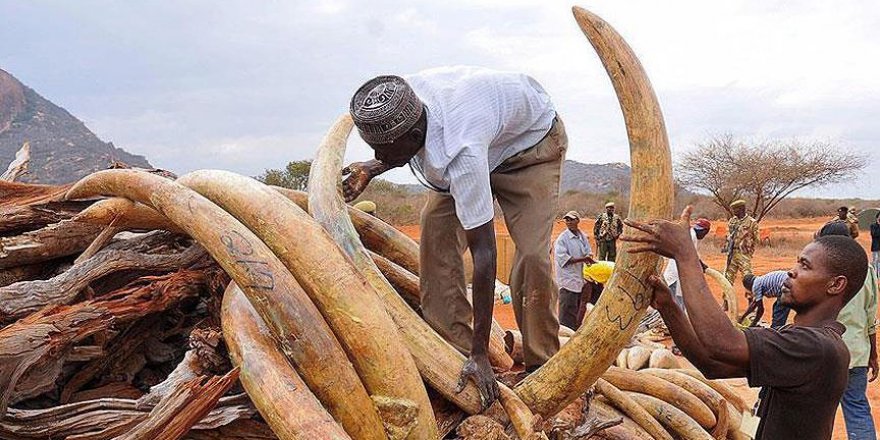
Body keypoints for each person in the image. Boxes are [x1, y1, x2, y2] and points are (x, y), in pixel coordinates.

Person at [341, 66, 566, 406]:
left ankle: (541, 365)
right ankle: (451, 353)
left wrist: (482, 354)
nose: (379, 158)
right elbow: (403, 146)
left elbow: (485, 254)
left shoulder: (459, 151)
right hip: (481, 136)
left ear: (416, 137)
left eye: (383, 153)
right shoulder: (402, 96)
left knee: (532, 256)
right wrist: (371, 168)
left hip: (529, 150)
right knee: (434, 234)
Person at [622, 206, 868, 440]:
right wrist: (668, 306)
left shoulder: (816, 347)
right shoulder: (801, 338)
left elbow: (722, 343)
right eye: (796, 262)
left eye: (805, 266)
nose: (791, 271)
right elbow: (712, 364)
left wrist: (685, 254)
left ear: (836, 285)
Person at [817, 220, 878, 439]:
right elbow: (871, 314)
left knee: (818, 410)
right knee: (857, 407)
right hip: (857, 352)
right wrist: (873, 353)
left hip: (824, 351)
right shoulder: (867, 269)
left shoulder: (819, 268)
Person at [554, 211, 594, 330]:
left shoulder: (582, 236)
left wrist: (588, 259)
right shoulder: (562, 239)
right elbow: (564, 260)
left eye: (571, 219)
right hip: (567, 283)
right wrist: (584, 259)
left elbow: (588, 252)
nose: (569, 222)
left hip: (579, 281)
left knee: (576, 314)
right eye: (567, 220)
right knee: (566, 316)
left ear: (578, 220)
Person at [663, 218, 711, 310]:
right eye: (700, 231)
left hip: (678, 275)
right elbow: (692, 257)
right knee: (678, 305)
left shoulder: (690, 234)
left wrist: (702, 265)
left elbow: (695, 255)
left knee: (679, 302)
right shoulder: (691, 237)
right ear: (705, 231)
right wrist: (702, 266)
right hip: (677, 276)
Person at [723, 199, 759, 285]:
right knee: (727, 277)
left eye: (735, 209)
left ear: (742, 209)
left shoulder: (751, 222)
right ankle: (727, 298)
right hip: (732, 253)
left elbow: (757, 239)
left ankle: (751, 297)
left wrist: (749, 250)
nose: (733, 211)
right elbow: (729, 235)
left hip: (744, 253)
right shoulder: (732, 221)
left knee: (748, 278)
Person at [871, 212, 880, 276]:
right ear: (877, 218)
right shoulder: (873, 226)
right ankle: (875, 275)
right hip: (876, 246)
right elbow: (874, 234)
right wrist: (879, 225)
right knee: (875, 261)